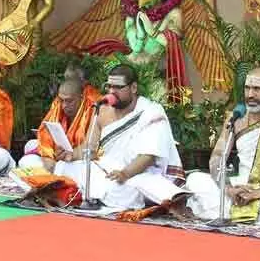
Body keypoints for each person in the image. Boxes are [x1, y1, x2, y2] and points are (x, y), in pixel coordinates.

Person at [26, 64, 185, 211]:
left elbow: (148, 156)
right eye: (109, 87)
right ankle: (88, 194)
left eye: (118, 87)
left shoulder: (151, 112)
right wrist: (70, 155)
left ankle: (90, 193)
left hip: (139, 174)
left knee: (126, 189)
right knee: (63, 167)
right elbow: (90, 149)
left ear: (134, 88)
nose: (111, 92)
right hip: (108, 170)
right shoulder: (102, 110)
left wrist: (125, 173)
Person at [175, 68, 260, 225]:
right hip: (240, 185)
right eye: (247, 88)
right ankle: (243, 214)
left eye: (257, 89)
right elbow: (218, 156)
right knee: (195, 180)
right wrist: (228, 188)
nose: (250, 95)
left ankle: (226, 213)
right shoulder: (237, 118)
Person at [19, 64, 101, 172]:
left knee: (71, 168)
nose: (64, 105)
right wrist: (48, 157)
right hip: (60, 154)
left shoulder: (95, 104)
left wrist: (70, 155)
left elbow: (92, 147)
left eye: (72, 80)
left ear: (84, 83)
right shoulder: (60, 100)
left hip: (79, 157)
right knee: (29, 151)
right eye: (66, 79)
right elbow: (45, 134)